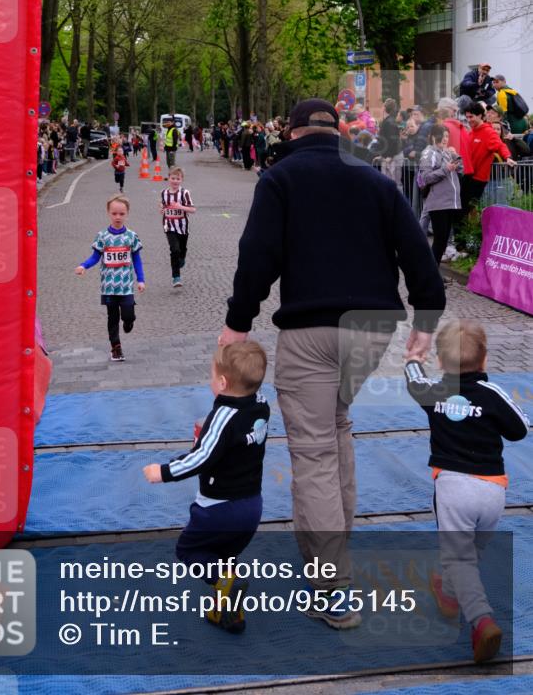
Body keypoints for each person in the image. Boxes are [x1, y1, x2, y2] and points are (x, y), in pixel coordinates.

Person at [219, 98, 445, 629]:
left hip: (310, 330)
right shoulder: (375, 181)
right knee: (338, 425)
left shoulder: (279, 179)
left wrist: (238, 321)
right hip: (373, 329)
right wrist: (426, 320)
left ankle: (332, 588)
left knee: (315, 452)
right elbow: (418, 250)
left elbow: (257, 256)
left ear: (293, 133)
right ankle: (336, 544)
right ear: (339, 132)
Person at [405, 320, 529, 664]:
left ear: (441, 363)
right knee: (469, 551)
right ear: (486, 359)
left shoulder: (434, 390)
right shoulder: (492, 395)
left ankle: (482, 620)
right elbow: (519, 429)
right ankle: (447, 588)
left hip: (453, 488)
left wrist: (413, 359)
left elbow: (414, 383)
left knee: (459, 557)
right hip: (492, 492)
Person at [143, 341, 270, 634]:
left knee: (189, 551)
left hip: (218, 507)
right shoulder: (261, 404)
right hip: (251, 505)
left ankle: (227, 583)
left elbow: (201, 457)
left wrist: (162, 472)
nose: (210, 381)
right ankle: (228, 615)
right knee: (226, 557)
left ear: (223, 383)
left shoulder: (223, 415)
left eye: (212, 376)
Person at [75, 195, 145, 362]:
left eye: (121, 213)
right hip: (108, 286)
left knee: (128, 314)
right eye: (114, 213)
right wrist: (84, 266)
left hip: (126, 286)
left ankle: (128, 323)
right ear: (108, 213)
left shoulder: (131, 236)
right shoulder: (102, 236)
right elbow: (95, 257)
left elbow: (137, 259)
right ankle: (116, 347)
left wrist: (140, 279)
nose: (118, 217)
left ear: (127, 213)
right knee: (112, 317)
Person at [417, 125, 463, 267]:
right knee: (440, 240)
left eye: (447, 136)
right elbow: (426, 178)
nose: (445, 139)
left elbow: (462, 169)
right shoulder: (428, 153)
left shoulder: (447, 152)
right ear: (433, 136)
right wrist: (445, 169)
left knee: (442, 241)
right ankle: (431, 273)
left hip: (450, 202)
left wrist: (456, 157)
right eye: (442, 136)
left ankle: (434, 273)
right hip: (438, 203)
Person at [463, 102, 516, 206]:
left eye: (471, 117)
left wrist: (508, 158)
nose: (469, 120)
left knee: (468, 208)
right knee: (463, 208)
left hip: (478, 179)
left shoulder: (489, 132)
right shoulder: (471, 132)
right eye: (467, 117)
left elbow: (501, 146)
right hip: (468, 175)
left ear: (479, 116)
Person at [160, 167, 196, 288]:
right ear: (168, 178)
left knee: (181, 249)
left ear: (182, 180)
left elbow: (192, 209)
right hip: (169, 226)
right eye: (173, 178)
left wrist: (181, 207)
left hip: (183, 227)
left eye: (178, 179)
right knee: (174, 250)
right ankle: (176, 277)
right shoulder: (164, 193)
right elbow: (163, 206)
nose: (175, 181)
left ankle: (182, 258)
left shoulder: (184, 193)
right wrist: (162, 209)